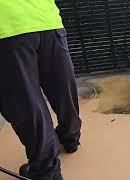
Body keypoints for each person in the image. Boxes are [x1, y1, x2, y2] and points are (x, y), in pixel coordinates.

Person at [0, 1, 82, 179]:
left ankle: (46, 171)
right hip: (47, 20)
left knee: (27, 101)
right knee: (62, 87)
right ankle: (70, 137)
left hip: (6, 26)